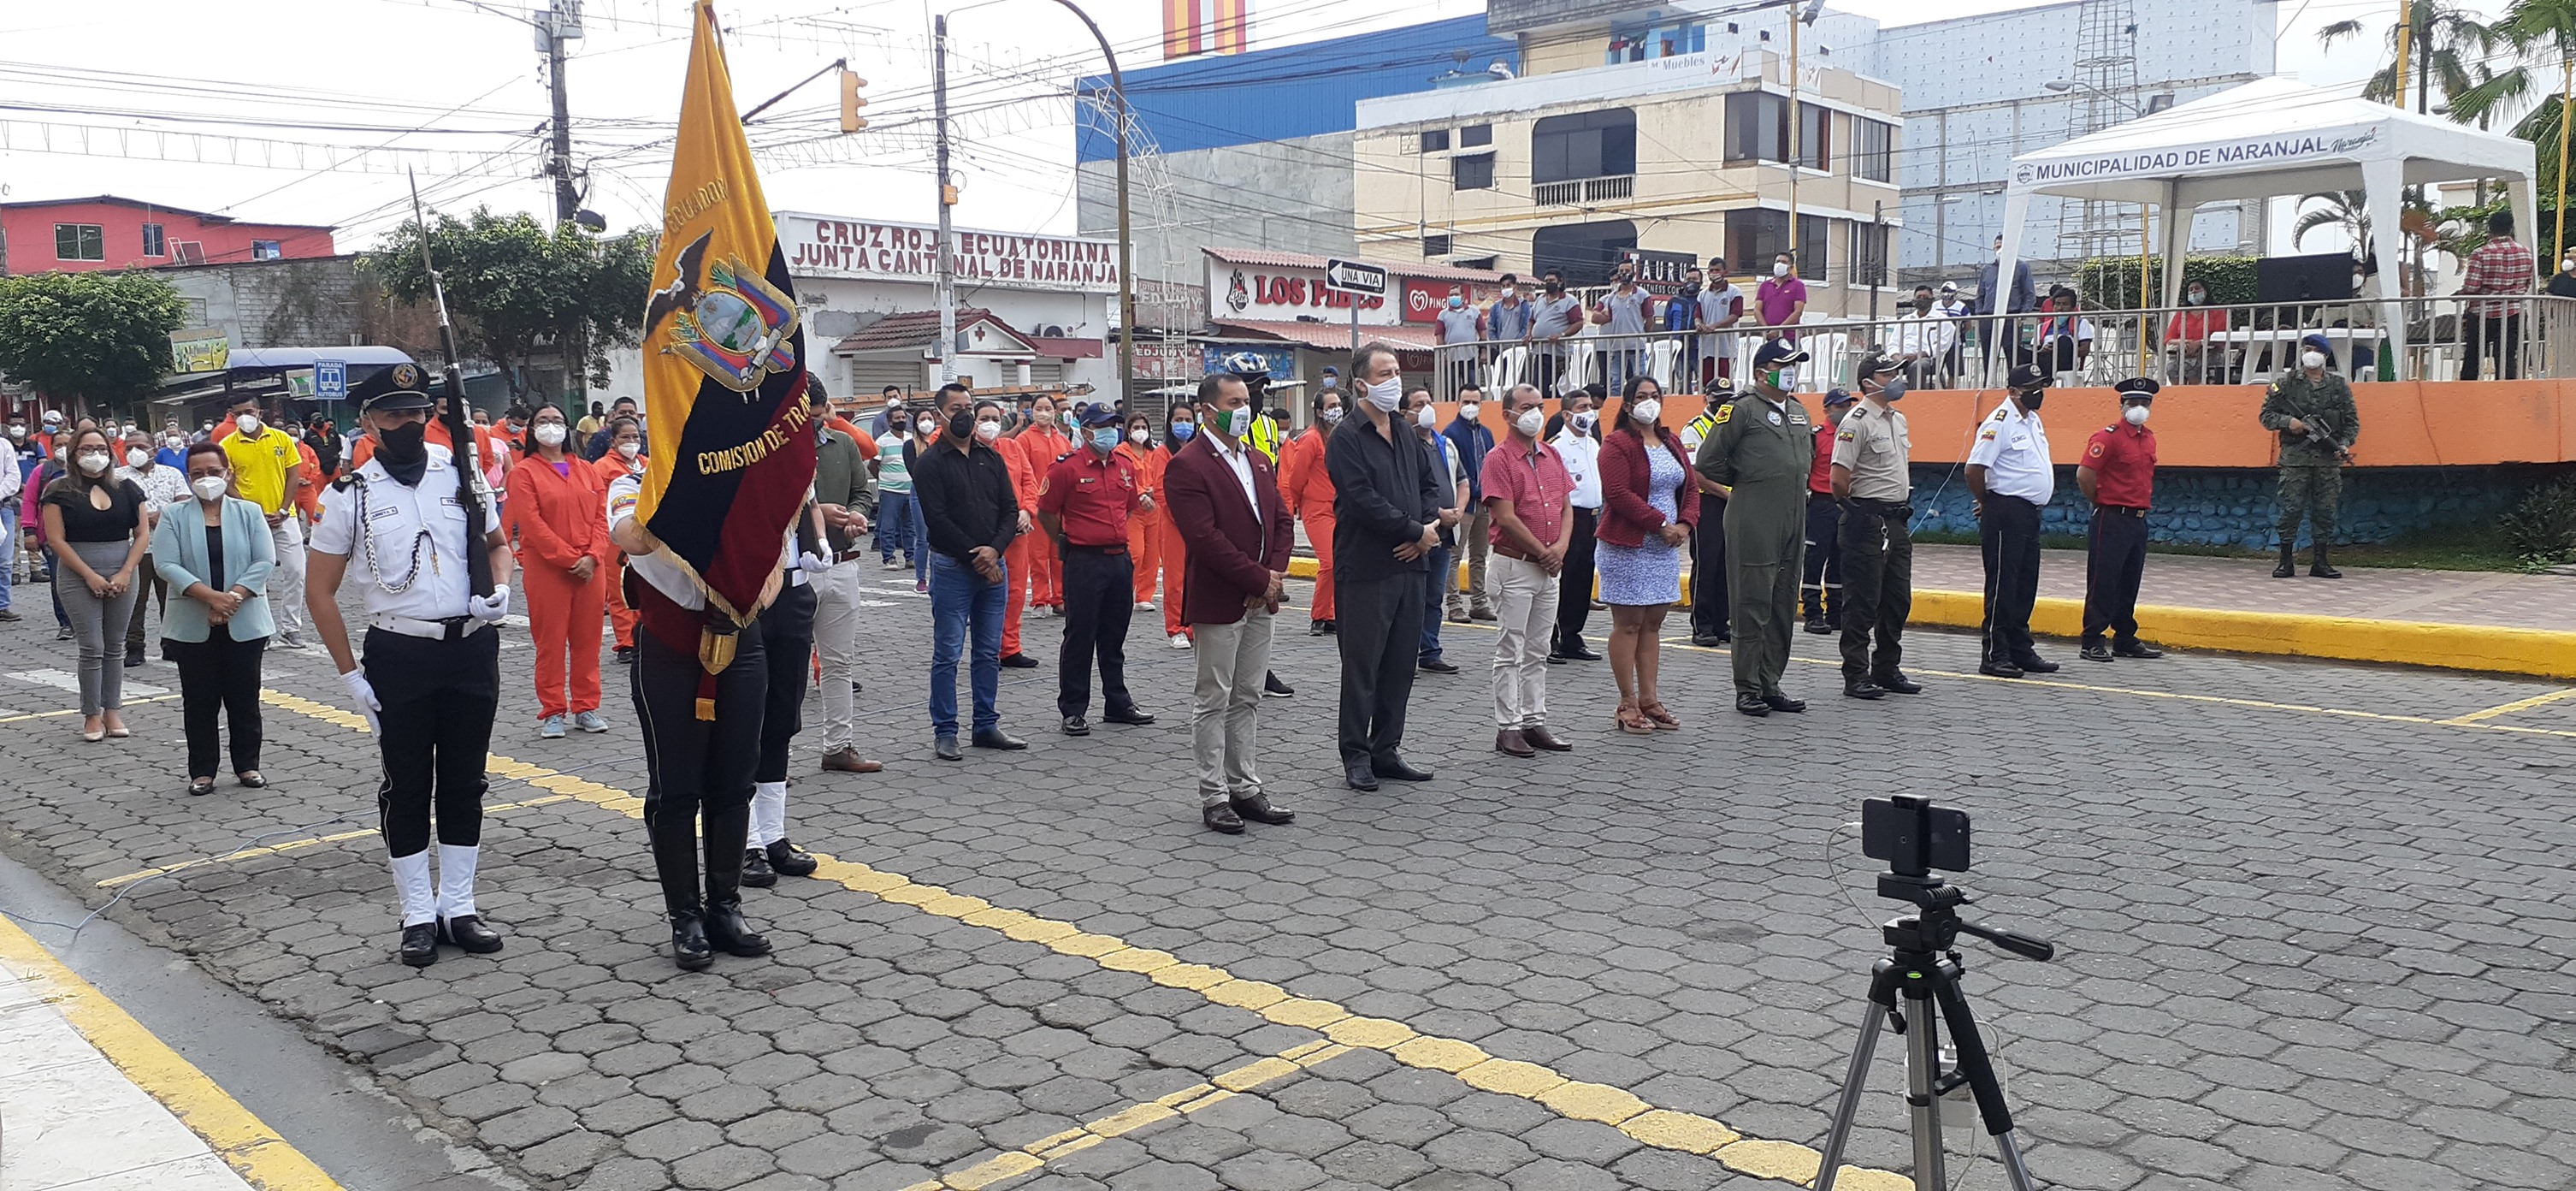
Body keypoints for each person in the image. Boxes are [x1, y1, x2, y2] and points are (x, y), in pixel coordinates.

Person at [309, 371, 515, 968]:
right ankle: (417, 912)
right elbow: (320, 592)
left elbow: (498, 545)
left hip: (470, 645)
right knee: (406, 786)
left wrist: (500, 589)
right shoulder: (349, 493)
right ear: (369, 423)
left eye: (416, 413)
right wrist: (350, 676)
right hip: (400, 652)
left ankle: (459, 905)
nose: (408, 424)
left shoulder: (463, 473)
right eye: (393, 416)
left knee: (465, 781)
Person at [604, 453, 771, 973]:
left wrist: (749, 598)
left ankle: (725, 907)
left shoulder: (745, 476)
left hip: (739, 638)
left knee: (734, 782)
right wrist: (692, 493)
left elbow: (774, 556)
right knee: (676, 789)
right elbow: (631, 538)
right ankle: (685, 916)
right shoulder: (633, 483)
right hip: (670, 646)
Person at [1166, 372, 1297, 833]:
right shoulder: (1187, 465)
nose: (1244, 409)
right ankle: (1214, 795)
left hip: (1262, 599)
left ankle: (1245, 787)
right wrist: (1258, 578)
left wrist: (1271, 577)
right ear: (1207, 411)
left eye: (1246, 401)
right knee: (1213, 697)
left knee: (1248, 696)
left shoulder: (1258, 459)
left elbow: (1282, 521)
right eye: (1234, 402)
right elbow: (1205, 539)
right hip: (1220, 598)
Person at [1326, 342, 1440, 791]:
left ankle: (1386, 748)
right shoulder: (1346, 437)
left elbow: (1429, 485)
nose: (1394, 381)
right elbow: (1361, 500)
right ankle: (1356, 754)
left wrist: (1423, 531)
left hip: (1411, 566)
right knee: (1363, 667)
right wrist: (1412, 531)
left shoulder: (1405, 432)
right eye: (1384, 374)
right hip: (1367, 568)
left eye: (1396, 372)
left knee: (1400, 665)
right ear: (1361, 385)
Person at [1696, 341, 1812, 717]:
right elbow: (1708, 461)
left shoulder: (1798, 410)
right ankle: (1747, 686)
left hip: (1793, 514)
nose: (1791, 371)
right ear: (1761, 373)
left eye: (1794, 364)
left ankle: (1770, 682)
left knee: (1782, 601)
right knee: (1752, 602)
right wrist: (1749, 479)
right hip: (1754, 514)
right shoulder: (1740, 409)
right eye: (1783, 365)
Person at [155, 442, 275, 795]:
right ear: (188, 477)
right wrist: (211, 598)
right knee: (199, 700)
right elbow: (166, 564)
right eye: (197, 474)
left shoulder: (249, 512)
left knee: (245, 698)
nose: (206, 479)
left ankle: (248, 765)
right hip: (192, 621)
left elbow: (264, 561)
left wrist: (232, 599)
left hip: (245, 618)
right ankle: (202, 771)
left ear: (227, 473)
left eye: (213, 471)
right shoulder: (173, 515)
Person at [914, 388, 1024, 760]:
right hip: (952, 568)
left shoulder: (990, 458)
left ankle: (986, 724)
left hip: (994, 567)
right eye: (955, 409)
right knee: (948, 653)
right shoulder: (930, 463)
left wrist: (996, 551)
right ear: (939, 415)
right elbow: (937, 520)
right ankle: (946, 730)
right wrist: (978, 556)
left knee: (988, 652)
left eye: (969, 408)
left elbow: (1010, 509)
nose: (964, 415)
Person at [1037, 404, 1155, 738]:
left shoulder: (1124, 466)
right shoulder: (1066, 468)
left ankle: (1117, 702)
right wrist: (1068, 540)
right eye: (1102, 426)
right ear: (1086, 431)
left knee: (1114, 636)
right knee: (1080, 636)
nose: (1109, 432)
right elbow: (1045, 512)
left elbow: (1128, 507)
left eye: (1113, 426)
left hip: (1119, 560)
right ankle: (1073, 709)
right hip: (1085, 561)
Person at [742, 495, 836, 890]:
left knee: (782, 720)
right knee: (744, 722)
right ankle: (745, 840)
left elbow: (809, 503)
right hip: (749, 594)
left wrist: (820, 539)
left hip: (794, 593)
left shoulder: (795, 462)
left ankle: (773, 835)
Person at [505, 404, 612, 739]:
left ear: (567, 428)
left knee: (588, 641)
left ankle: (586, 706)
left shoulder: (587, 470)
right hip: (547, 569)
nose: (550, 426)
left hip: (591, 568)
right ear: (532, 430)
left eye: (556, 420)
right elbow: (532, 525)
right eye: (542, 421)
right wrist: (570, 560)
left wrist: (593, 556)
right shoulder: (523, 473)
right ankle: (552, 710)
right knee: (550, 642)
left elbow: (601, 517)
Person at [1597, 376, 1696, 733]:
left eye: (1655, 395)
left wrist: (1685, 524)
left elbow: (1690, 486)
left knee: (1653, 623)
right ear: (1627, 405)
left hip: (1664, 547)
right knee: (1629, 624)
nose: (1649, 402)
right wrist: (1660, 523)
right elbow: (1618, 493)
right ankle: (1627, 701)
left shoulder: (1671, 441)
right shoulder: (1617, 444)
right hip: (1628, 545)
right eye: (1641, 396)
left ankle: (1650, 699)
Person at [1480, 383, 1574, 757]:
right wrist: (1543, 552)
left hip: (1547, 569)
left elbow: (1566, 507)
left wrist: (1560, 548)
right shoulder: (1498, 459)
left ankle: (1534, 720)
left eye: (1539, 406)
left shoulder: (1551, 454)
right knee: (1511, 649)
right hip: (1515, 565)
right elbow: (1505, 516)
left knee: (1538, 649)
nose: (1534, 413)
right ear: (1507, 415)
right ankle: (1508, 726)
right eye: (1525, 407)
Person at [42, 428, 150, 742]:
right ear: (73, 454)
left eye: (101, 448)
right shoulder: (58, 490)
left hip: (122, 570)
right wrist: (88, 575)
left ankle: (112, 709)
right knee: (92, 646)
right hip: (78, 572)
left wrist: (126, 571)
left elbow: (141, 534)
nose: (95, 455)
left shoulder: (128, 488)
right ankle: (91, 713)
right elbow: (56, 540)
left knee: (115, 645)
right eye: (86, 449)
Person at [1831, 357, 1922, 699]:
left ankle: (1886, 667)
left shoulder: (1898, 419)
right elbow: (1839, 479)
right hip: (1868, 519)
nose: (1896, 378)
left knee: (1897, 599)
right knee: (1862, 601)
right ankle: (1856, 673)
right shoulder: (1856, 421)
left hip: (1896, 520)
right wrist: (1859, 512)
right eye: (1887, 374)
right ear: (1868, 383)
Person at [1964, 364, 2059, 678]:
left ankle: (2020, 648)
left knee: (2025, 583)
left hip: (2028, 513)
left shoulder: (2032, 420)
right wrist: (1987, 501)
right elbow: (1974, 469)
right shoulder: (1999, 422)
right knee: (2004, 584)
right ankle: (1995, 653)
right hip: (2006, 511)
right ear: (2013, 392)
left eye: (2041, 386)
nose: (2038, 393)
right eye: (2031, 388)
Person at [808, 410, 883, 776]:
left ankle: (838, 747)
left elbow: (861, 492)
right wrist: (815, 513)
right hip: (794, 570)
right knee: (782, 667)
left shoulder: (843, 444)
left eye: (821, 415)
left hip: (841, 564)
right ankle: (771, 758)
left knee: (838, 663)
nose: (816, 423)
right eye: (809, 416)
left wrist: (856, 514)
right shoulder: (774, 448)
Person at [2077, 378, 2165, 663]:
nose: (2139, 408)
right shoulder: (2108, 437)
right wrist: (2100, 501)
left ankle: (2124, 638)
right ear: (2122, 405)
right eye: (2133, 403)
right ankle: (2092, 640)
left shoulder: (2148, 437)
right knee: (2103, 580)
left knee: (2129, 582)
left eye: (2145, 403)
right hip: (2112, 516)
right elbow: (2085, 474)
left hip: (2138, 518)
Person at [2260, 347, 2360, 578]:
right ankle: (2285, 561)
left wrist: (2343, 444)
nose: (2312, 354)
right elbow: (2266, 416)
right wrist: (2289, 422)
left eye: (2317, 350)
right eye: (2308, 349)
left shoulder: (2338, 386)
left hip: (2327, 461)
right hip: (2296, 460)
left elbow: (2352, 422)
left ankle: (2320, 562)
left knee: (2325, 511)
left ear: (2325, 356)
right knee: (2291, 509)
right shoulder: (2286, 384)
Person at [221, 398, 310, 649]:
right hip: (248, 520)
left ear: (259, 412)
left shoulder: (281, 439)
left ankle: (291, 628)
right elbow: (228, 483)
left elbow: (293, 475)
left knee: (296, 571)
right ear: (231, 416)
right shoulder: (227, 445)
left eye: (248, 411)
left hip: (284, 516)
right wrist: (252, 511)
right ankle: (260, 629)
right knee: (254, 577)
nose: (244, 416)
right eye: (238, 413)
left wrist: (283, 509)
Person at [115, 428, 188, 667]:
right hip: (133, 549)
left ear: (154, 450)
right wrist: (144, 519)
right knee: (134, 601)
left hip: (169, 546)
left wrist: (163, 515)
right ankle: (134, 646)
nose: (134, 452)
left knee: (171, 599)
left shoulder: (172, 474)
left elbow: (184, 504)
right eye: (129, 448)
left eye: (140, 447)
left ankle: (172, 644)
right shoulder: (116, 478)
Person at [1407, 388, 1467, 676]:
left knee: (1433, 597)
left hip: (1444, 534)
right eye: (1419, 404)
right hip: (1417, 533)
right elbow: (1407, 490)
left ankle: (1430, 651)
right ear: (1405, 413)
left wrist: (1457, 511)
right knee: (1410, 600)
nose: (1427, 408)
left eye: (1429, 403)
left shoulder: (1445, 444)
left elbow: (1463, 481)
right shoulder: (1405, 446)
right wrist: (1438, 513)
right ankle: (1405, 655)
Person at [1547, 384, 1605, 662]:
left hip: (1592, 518)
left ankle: (1572, 636)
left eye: (1591, 407)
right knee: (1563, 579)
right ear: (1567, 415)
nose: (1589, 413)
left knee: (1582, 580)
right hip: (1569, 518)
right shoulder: (1556, 446)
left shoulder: (1593, 444)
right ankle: (1551, 638)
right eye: (1583, 408)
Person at [1280, 390, 1342, 637]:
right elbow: (1296, 477)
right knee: (1329, 562)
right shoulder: (1311, 439)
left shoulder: (1338, 436)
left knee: (1340, 562)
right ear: (1319, 411)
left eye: (1338, 404)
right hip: (1317, 509)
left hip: (1339, 508)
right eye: (1331, 406)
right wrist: (1297, 505)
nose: (1336, 409)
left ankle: (1331, 614)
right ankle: (1319, 615)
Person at [1677, 382, 1734, 648]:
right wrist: (1725, 493)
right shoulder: (1695, 428)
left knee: (1727, 565)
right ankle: (1702, 625)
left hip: (1732, 502)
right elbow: (1694, 473)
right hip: (1707, 501)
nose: (1722, 404)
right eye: (1717, 398)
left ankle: (1722, 622)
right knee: (1706, 564)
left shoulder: (1733, 426)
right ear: (1706, 399)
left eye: (1727, 399)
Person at [992, 406, 1046, 670]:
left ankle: (1010, 648)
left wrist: (1026, 511)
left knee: (1015, 592)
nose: (990, 424)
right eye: (983, 419)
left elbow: (1029, 482)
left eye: (994, 419)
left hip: (1018, 531)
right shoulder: (969, 451)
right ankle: (989, 649)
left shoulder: (1012, 448)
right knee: (990, 593)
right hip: (988, 533)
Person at [591, 418, 647, 662]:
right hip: (615, 537)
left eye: (635, 437)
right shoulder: (602, 468)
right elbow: (599, 503)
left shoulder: (647, 464)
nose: (631, 442)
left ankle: (644, 636)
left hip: (645, 536)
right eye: (625, 437)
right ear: (613, 441)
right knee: (620, 591)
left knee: (645, 587)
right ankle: (626, 642)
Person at [1801, 388, 1855, 635]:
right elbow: (1805, 470)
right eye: (1840, 406)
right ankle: (1812, 614)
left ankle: (1835, 613)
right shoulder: (1815, 436)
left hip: (1846, 504)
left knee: (1840, 561)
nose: (1845, 410)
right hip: (1821, 504)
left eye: (1848, 405)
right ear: (1827, 410)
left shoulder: (1853, 434)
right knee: (1815, 559)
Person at [2460, 207, 2534, 382]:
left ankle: (2466, 391)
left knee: (2473, 355)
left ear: (2490, 229)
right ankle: (2507, 390)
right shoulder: (2525, 253)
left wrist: (2460, 294)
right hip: (2514, 311)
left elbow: (2472, 286)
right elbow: (2526, 284)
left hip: (2482, 313)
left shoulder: (2480, 253)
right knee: (2507, 356)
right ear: (2511, 228)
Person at [1442, 388, 1497, 624]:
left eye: (1475, 401)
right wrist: (1476, 490)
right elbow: (1454, 470)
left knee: (1479, 555)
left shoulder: (1486, 433)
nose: (1470, 406)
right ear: (1458, 402)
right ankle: (1454, 605)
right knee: (1455, 555)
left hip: (1484, 505)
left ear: (1482, 404)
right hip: (1463, 505)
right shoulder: (1451, 433)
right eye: (1466, 401)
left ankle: (1479, 603)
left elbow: (1492, 464)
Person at [1157, 406, 1200, 649]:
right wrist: (1184, 519)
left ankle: (1194, 624)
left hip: (1200, 523)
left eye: (1188, 419)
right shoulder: (1162, 453)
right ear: (1170, 424)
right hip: (1174, 525)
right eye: (1178, 419)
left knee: (1197, 577)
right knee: (1175, 579)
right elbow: (1161, 491)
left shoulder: (1199, 451)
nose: (1184, 424)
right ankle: (1176, 627)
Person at [1118, 412, 1168, 613]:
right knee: (1135, 553)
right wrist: (1140, 494)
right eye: (1136, 428)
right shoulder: (1121, 452)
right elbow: (1123, 478)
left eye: (1144, 428)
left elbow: (1161, 476)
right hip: (1133, 510)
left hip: (1154, 508)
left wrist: (1154, 492)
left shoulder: (1153, 453)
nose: (1140, 431)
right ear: (1128, 430)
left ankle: (1144, 596)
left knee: (1152, 556)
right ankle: (1125, 593)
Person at [1974, 234, 2039, 381]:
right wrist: (1980, 315)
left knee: (2012, 354)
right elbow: (1980, 295)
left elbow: (2029, 294)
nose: (2000, 250)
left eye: (2003, 247)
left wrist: (2022, 315)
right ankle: (1988, 384)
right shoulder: (1987, 269)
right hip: (1989, 317)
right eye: (1997, 247)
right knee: (1988, 356)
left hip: (2011, 317)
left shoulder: (2021, 267)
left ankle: (2014, 384)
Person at [1592, 263, 1654, 392]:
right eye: (1621, 271)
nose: (1624, 273)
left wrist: (1642, 334)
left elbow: (1649, 319)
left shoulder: (1642, 295)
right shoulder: (1611, 297)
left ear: (1634, 273)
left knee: (1641, 380)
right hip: (1617, 346)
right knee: (1615, 382)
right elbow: (1605, 316)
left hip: (1637, 346)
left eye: (1627, 270)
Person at [2162, 279, 2233, 384]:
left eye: (2197, 288)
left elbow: (2220, 335)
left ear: (2205, 291)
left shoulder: (2217, 311)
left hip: (2209, 353)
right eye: (2190, 290)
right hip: (2183, 354)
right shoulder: (2182, 313)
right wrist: (2185, 342)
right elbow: (2168, 339)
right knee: (2173, 368)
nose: (2194, 292)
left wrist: (2200, 343)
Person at [1527, 270, 1585, 395]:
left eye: (1552, 281)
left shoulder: (1569, 301)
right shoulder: (1540, 300)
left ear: (1560, 282)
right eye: (1546, 281)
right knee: (1538, 385)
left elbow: (1578, 323)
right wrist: (1528, 334)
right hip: (1540, 350)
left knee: (1554, 386)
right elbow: (1531, 320)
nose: (1548, 283)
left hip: (1559, 353)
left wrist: (1562, 335)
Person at [1889, 287, 1958, 390]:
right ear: (1913, 300)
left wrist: (1918, 356)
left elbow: (1942, 346)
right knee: (1877, 366)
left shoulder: (1943, 321)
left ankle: (1914, 398)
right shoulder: (1905, 320)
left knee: (1917, 367)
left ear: (1932, 300)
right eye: (1919, 297)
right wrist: (1898, 358)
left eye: (1925, 297)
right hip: (1902, 360)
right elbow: (1892, 344)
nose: (1922, 300)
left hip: (1927, 360)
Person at [1694, 258, 1746, 389]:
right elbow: (1698, 316)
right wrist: (1699, 324)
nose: (1714, 273)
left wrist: (1715, 326)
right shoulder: (1702, 295)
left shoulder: (1734, 292)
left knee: (1724, 383)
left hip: (1726, 348)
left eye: (1717, 270)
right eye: (1711, 270)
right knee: (1706, 384)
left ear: (1725, 272)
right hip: (1706, 348)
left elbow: (1735, 315)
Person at [875, 409, 916, 570]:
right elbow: (873, 464)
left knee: (910, 527)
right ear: (890, 422)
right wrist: (885, 479)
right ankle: (889, 558)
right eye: (897, 418)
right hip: (890, 491)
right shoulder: (882, 441)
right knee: (888, 526)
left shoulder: (911, 439)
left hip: (910, 490)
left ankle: (910, 557)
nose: (901, 420)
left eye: (903, 417)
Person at [2034, 287, 2094, 382]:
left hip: (2067, 362)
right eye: (2057, 304)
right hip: (2045, 360)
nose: (2060, 308)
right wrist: (2043, 350)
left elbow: (2084, 350)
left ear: (2073, 308)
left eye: (2065, 304)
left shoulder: (2080, 323)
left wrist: (2060, 350)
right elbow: (2034, 351)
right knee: (2016, 349)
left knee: (2064, 341)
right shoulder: (2042, 327)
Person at [1435, 286, 1485, 395]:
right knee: (1451, 390)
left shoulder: (1474, 311)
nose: (1453, 297)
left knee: (1471, 389)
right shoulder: (1443, 315)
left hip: (1471, 358)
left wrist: (1484, 351)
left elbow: (1482, 331)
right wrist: (1443, 355)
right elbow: (1439, 336)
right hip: (1451, 359)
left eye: (1456, 294)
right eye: (1451, 295)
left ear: (1463, 296)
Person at [1755, 252, 1807, 340]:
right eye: (1777, 261)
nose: (1779, 264)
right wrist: (1766, 329)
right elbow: (1757, 310)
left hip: (1789, 338)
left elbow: (1798, 312)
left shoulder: (1798, 285)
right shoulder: (1765, 285)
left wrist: (1779, 330)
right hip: (1767, 337)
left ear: (1791, 267)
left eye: (1784, 262)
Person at [583, 396, 640, 460]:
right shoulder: (600, 437)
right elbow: (591, 463)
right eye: (622, 413)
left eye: (631, 413)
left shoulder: (645, 437)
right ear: (614, 415)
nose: (627, 415)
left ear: (637, 415)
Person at [1485, 276, 1531, 354]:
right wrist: (1497, 344)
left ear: (1515, 287)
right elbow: (1491, 327)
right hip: (1500, 350)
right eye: (1503, 286)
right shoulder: (1495, 307)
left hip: (1518, 350)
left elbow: (1526, 326)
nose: (1506, 288)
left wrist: (1517, 343)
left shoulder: (1523, 305)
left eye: (1508, 285)